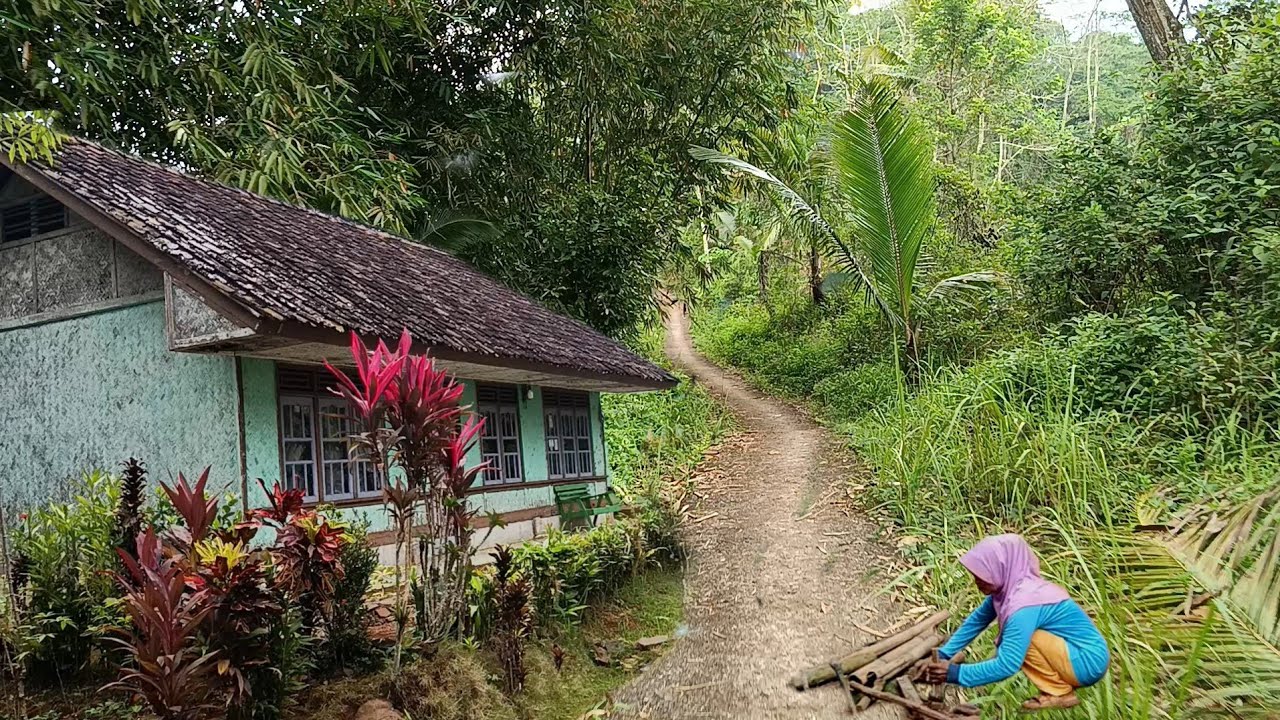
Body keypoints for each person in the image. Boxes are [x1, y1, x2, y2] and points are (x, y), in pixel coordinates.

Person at [918, 534, 1110, 711]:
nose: (977, 581)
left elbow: (1007, 664)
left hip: (1087, 661)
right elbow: (977, 620)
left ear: (1003, 568)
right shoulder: (1011, 590)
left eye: (984, 574)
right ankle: (1059, 690)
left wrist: (954, 674)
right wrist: (945, 653)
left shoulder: (1023, 605)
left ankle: (1059, 692)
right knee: (1021, 636)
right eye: (976, 575)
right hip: (1080, 654)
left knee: (1022, 639)